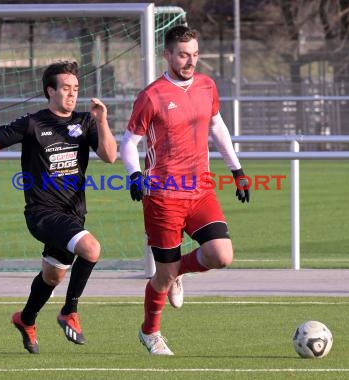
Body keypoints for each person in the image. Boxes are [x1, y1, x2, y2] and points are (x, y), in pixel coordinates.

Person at [0, 60, 117, 354]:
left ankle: (25, 319)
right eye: (65, 88)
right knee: (91, 248)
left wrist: (102, 121)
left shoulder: (85, 122)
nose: (72, 94)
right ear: (50, 91)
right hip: (41, 212)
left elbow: (110, 157)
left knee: (53, 275)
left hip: (73, 213)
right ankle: (69, 312)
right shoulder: (33, 123)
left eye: (75, 88)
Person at [120, 25, 251, 356]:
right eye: (183, 54)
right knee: (161, 277)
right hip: (163, 197)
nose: (190, 61)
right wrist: (135, 174)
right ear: (167, 55)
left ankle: (178, 272)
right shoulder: (151, 96)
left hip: (200, 191)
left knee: (221, 255)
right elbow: (129, 141)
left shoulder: (207, 85)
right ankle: (150, 332)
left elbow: (217, 126)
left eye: (194, 54)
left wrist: (236, 169)